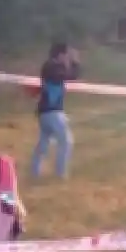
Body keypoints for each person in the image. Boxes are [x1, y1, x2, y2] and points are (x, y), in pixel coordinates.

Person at [30, 42, 80, 179]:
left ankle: (34, 172)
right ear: (60, 54)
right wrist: (73, 62)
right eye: (66, 54)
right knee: (66, 141)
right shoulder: (51, 67)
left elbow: (72, 76)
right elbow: (68, 76)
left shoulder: (53, 66)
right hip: (52, 111)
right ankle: (60, 173)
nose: (67, 58)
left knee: (44, 144)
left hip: (49, 111)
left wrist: (73, 64)